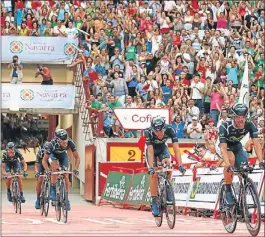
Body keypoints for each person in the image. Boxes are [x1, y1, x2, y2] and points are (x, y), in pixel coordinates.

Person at [219, 103, 265, 207]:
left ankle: (242, 198)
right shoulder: (225, 126)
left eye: (243, 117)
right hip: (225, 146)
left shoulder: (250, 124)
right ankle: (228, 190)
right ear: (234, 117)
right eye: (239, 117)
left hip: (237, 146)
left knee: (244, 167)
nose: (241, 120)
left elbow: (257, 145)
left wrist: (261, 161)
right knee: (231, 160)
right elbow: (223, 148)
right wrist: (228, 165)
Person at [144, 116, 186, 217]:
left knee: (168, 163)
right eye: (156, 132)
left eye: (161, 132)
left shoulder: (170, 129)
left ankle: (167, 185)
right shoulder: (147, 132)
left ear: (164, 128)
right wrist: (150, 168)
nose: (158, 134)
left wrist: (180, 165)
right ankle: (154, 200)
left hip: (163, 149)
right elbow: (150, 152)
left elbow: (176, 149)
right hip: (151, 151)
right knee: (153, 173)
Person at [42, 129, 80, 211]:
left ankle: (66, 198)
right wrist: (48, 170)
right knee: (55, 167)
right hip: (53, 155)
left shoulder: (70, 142)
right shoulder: (51, 144)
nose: (65, 144)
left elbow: (77, 158)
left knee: (66, 174)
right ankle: (52, 188)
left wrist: (76, 168)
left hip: (63, 155)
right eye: (63, 143)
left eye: (66, 142)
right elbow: (44, 160)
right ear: (58, 140)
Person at [34, 142, 50, 209]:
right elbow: (36, 165)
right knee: (40, 179)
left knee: (53, 175)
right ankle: (38, 199)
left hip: (50, 163)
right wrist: (37, 172)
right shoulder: (40, 153)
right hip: (41, 164)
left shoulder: (53, 152)